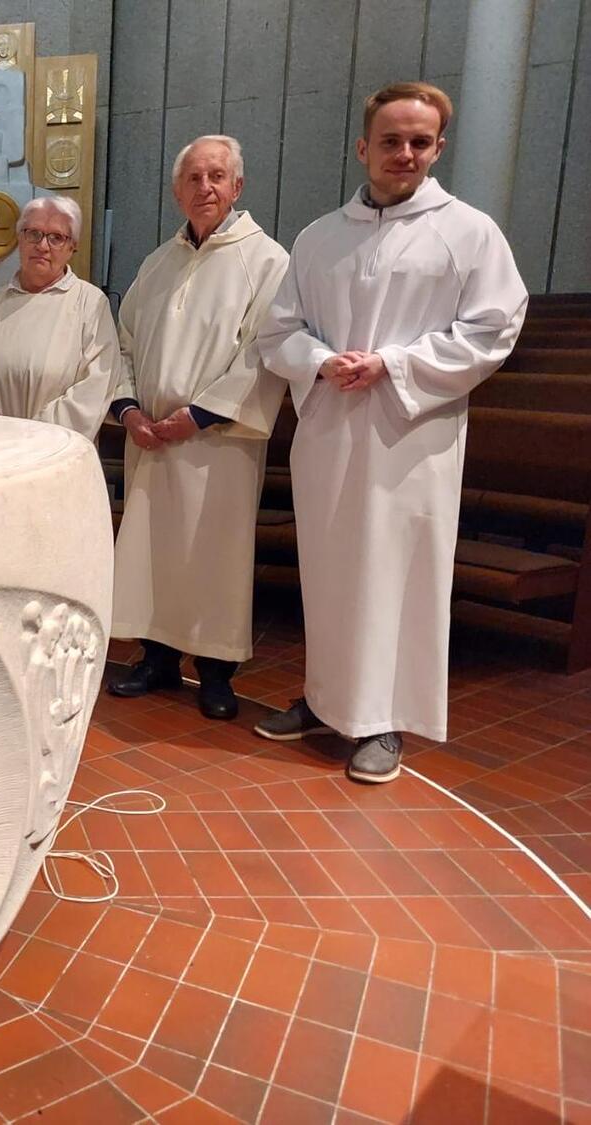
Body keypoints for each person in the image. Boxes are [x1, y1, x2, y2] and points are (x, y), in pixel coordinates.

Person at [256, 82, 526, 783]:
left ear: (438, 148)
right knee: (330, 572)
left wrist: (394, 364)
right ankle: (325, 700)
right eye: (391, 140)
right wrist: (320, 361)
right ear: (362, 147)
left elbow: (493, 329)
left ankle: (384, 721)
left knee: (397, 576)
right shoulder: (319, 237)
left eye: (419, 141)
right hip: (331, 432)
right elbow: (277, 329)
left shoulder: (469, 233)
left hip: (411, 437)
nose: (404, 153)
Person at [107, 136, 289, 720]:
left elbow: (264, 353)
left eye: (216, 176)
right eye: (193, 177)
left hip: (218, 442)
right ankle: (157, 659)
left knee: (215, 558)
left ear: (237, 187)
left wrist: (200, 414)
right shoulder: (157, 263)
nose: (204, 187)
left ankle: (215, 673)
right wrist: (129, 409)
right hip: (152, 440)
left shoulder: (267, 261)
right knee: (154, 552)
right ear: (176, 190)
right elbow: (122, 343)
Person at [0, 196, 121, 440]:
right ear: (20, 239)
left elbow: (93, 389)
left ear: (72, 247)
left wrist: (28, 440)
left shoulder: (90, 305)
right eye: (33, 234)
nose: (42, 246)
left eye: (56, 237)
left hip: (54, 451)